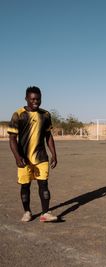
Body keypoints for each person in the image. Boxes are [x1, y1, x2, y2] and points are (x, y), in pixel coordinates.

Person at [8, 86, 58, 222]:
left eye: (38, 99)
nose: (36, 101)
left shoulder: (45, 115)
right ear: (26, 99)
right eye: (33, 99)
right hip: (24, 158)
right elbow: (12, 139)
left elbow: (48, 136)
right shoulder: (18, 114)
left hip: (41, 157)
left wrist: (54, 154)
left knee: (44, 185)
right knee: (25, 186)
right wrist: (17, 157)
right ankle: (27, 212)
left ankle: (45, 213)